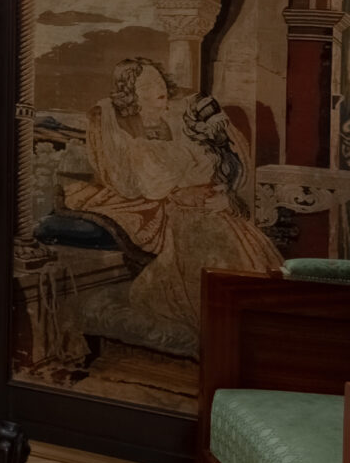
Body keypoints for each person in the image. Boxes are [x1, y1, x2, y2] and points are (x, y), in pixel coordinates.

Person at [62, 58, 281, 356]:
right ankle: (232, 333)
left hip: (213, 209)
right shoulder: (132, 142)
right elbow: (145, 186)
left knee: (245, 252)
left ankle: (259, 331)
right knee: (210, 252)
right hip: (181, 215)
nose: (159, 88)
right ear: (132, 95)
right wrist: (182, 194)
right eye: (147, 85)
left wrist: (224, 196)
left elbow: (222, 166)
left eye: (159, 81)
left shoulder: (183, 122)